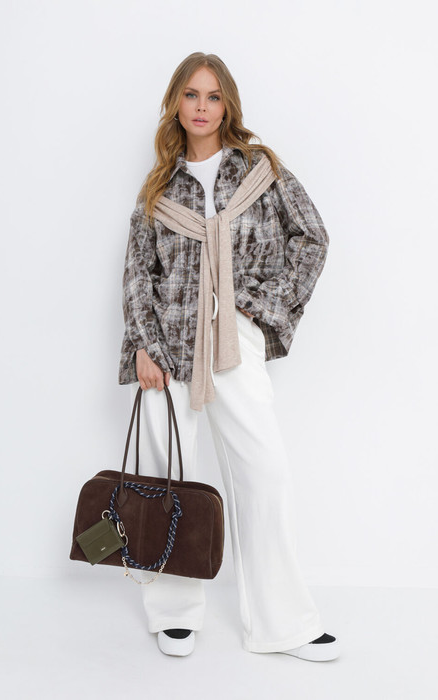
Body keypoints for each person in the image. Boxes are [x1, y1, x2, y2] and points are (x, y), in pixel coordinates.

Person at [118, 52, 339, 661]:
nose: (202, 107)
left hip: (234, 340)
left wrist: (261, 308)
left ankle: (283, 623)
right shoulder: (159, 188)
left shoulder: (261, 170)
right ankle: (173, 613)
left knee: (264, 473)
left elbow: (312, 237)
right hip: (167, 346)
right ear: (176, 104)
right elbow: (138, 272)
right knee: (167, 474)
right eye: (191, 95)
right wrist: (143, 345)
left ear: (228, 105)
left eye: (213, 96)